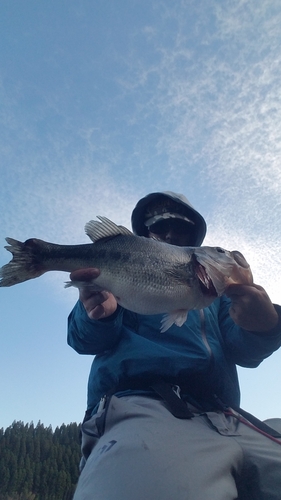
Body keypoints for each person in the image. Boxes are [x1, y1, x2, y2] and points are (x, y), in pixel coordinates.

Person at [68, 191, 281, 500]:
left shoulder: (217, 297)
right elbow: (81, 339)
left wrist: (266, 325)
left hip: (225, 413)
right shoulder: (117, 275)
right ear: (145, 236)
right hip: (140, 404)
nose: (169, 234)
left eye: (180, 229)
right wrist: (97, 315)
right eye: (158, 227)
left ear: (193, 239)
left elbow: (244, 353)